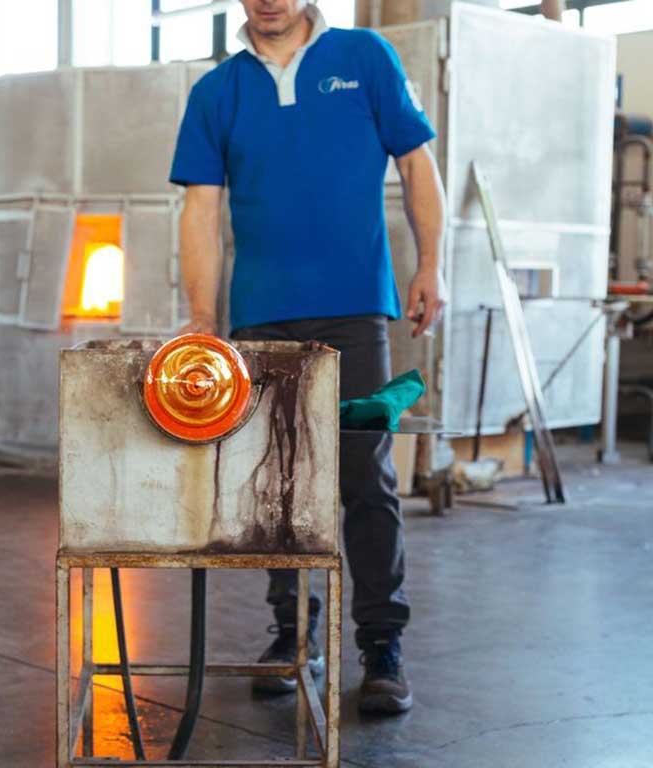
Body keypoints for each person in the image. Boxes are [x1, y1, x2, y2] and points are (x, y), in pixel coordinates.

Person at [169, 0, 446, 714]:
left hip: (354, 307)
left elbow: (416, 163)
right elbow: (201, 209)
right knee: (279, 485)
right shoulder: (218, 91)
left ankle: (381, 643)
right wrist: (204, 319)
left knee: (364, 475)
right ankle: (294, 635)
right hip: (262, 314)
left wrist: (430, 265)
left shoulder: (365, 58)